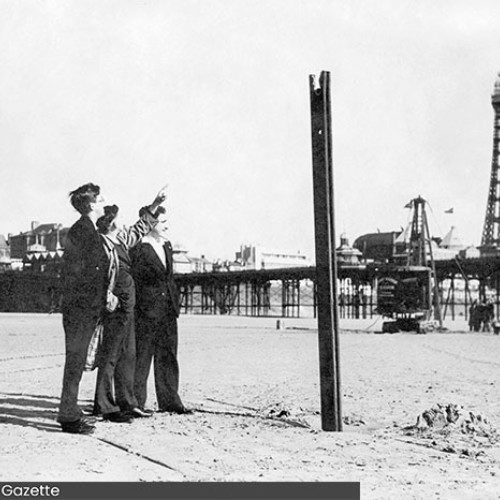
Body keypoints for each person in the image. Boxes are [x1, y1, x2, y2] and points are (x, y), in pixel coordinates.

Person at [93, 187, 167, 423]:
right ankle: (104, 405)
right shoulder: (102, 244)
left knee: (129, 354)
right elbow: (96, 274)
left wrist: (154, 204)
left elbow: (140, 227)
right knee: (110, 355)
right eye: (119, 219)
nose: (124, 223)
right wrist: (107, 295)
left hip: (128, 304)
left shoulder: (121, 239)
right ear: (111, 223)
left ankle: (127, 402)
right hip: (114, 305)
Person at [57, 183, 108, 434]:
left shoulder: (86, 229)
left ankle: (70, 412)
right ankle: (68, 416)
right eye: (100, 200)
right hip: (80, 309)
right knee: (75, 362)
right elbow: (77, 273)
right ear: (90, 205)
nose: (104, 203)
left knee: (76, 362)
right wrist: (97, 298)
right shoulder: (82, 231)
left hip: (83, 307)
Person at [131, 207, 191, 414]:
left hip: (168, 309)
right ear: (150, 223)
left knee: (168, 355)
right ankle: (136, 402)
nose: (167, 224)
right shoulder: (139, 247)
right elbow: (137, 280)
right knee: (143, 355)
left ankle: (170, 401)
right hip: (147, 309)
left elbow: (168, 276)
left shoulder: (166, 245)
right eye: (163, 221)